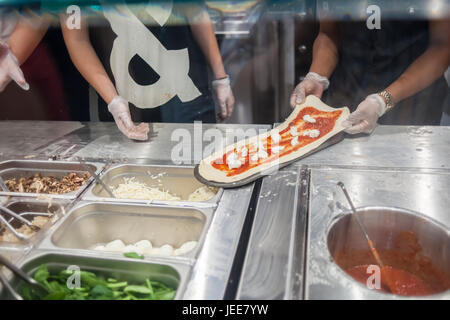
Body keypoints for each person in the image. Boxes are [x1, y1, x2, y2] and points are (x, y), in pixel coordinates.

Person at [61, 1, 234, 141]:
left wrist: (220, 77)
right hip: (122, 93)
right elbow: (77, 40)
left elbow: (195, 9)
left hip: (187, 86)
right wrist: (113, 102)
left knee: (199, 158)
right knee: (133, 177)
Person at [290, 16, 450, 134]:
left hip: (412, 106)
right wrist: (317, 76)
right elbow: (328, 33)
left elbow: (442, 46)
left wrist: (382, 101)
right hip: (345, 96)